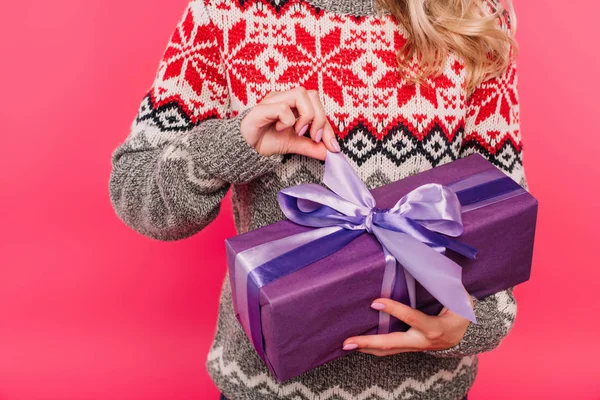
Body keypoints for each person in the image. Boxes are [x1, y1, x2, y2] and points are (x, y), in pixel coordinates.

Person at [109, 0, 528, 398]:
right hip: (264, 388)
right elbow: (135, 193)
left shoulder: (473, 13)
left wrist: (475, 324)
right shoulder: (227, 10)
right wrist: (233, 144)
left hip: (432, 390)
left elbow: (503, 209)